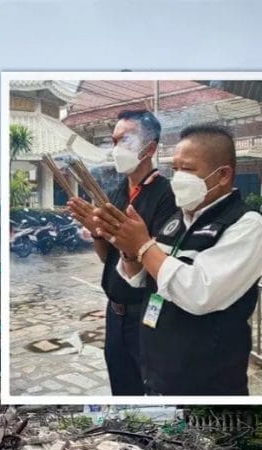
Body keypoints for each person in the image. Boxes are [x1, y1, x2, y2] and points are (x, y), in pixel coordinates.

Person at [94, 124, 262, 395]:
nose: (177, 178)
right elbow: (144, 279)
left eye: (187, 169)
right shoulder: (177, 221)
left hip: (206, 385)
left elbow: (199, 293)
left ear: (223, 175)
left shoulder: (246, 225)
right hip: (157, 376)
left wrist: (142, 245)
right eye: (174, 169)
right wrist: (129, 251)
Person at [66, 110, 177, 395]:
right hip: (115, 312)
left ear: (150, 148)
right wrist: (96, 231)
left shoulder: (168, 195)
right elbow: (107, 258)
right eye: (114, 141)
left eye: (125, 140)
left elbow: (160, 266)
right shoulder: (116, 194)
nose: (116, 149)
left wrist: (131, 244)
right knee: (122, 387)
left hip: (148, 310)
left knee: (151, 388)